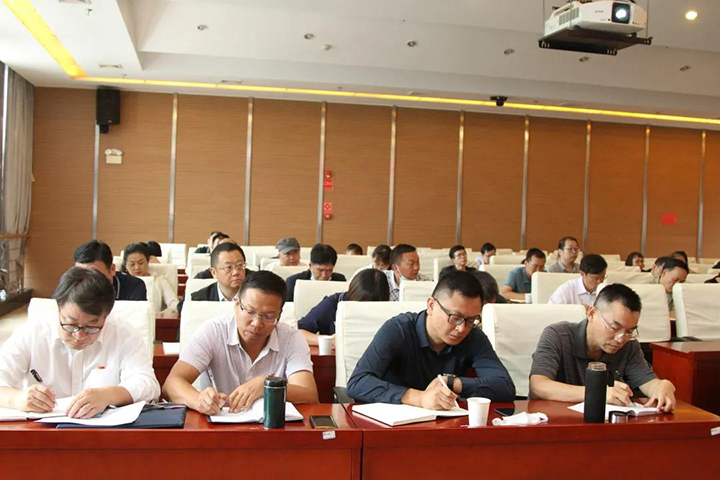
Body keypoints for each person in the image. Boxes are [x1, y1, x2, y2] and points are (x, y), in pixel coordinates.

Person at [0, 267, 160, 417]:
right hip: (40, 431)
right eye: (70, 324)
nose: (79, 336)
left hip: (104, 431)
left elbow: (148, 385)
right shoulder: (33, 333)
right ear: (58, 309)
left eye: (91, 327)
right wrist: (17, 399)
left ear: (106, 317)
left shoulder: (123, 333)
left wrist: (108, 395)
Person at [347, 271, 515, 407]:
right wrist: (419, 398)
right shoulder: (398, 329)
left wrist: (452, 382)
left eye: (471, 320)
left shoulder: (473, 336)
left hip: (447, 425)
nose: (462, 328)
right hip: (393, 425)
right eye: (455, 317)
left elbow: (505, 387)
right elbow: (358, 383)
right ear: (431, 305)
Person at [162, 271, 318, 414]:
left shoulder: (291, 338)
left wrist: (267, 386)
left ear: (279, 314)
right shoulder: (213, 331)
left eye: (269, 316)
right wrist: (198, 400)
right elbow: (171, 384)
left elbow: (309, 395)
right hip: (219, 424)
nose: (257, 323)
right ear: (236, 305)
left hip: (273, 427)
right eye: (250, 312)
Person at [529, 284, 676, 412]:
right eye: (614, 328)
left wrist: (661, 386)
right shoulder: (557, 336)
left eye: (629, 331)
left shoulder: (629, 345)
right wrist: (598, 393)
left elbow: (648, 383)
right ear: (592, 313)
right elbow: (538, 386)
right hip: (557, 423)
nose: (620, 339)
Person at [298, 269, 390, 345]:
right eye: (361, 304)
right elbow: (299, 333)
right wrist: (330, 340)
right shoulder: (333, 304)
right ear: (353, 293)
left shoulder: (389, 309)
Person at [177, 243, 247, 313]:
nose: (236, 272)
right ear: (214, 273)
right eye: (228, 267)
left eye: (240, 265)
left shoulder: (252, 295)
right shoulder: (200, 300)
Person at [73, 240, 147, 301]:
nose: (86, 280)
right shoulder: (72, 287)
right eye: (80, 273)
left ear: (112, 269)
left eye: (93, 273)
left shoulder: (134, 286)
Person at [122, 242, 179, 314]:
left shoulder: (159, 280)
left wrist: (163, 314)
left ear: (148, 261)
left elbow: (174, 303)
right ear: (126, 266)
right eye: (132, 264)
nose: (137, 267)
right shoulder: (122, 282)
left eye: (140, 263)